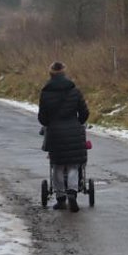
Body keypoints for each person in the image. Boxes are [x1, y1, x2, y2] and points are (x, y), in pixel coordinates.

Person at [38, 61, 89, 212]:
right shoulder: (75, 91)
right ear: (64, 73)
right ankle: (72, 192)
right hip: (74, 130)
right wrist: (76, 123)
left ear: (51, 74)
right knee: (74, 164)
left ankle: (61, 198)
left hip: (55, 132)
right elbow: (84, 112)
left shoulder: (45, 92)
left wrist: (50, 124)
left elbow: (42, 118)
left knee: (58, 166)